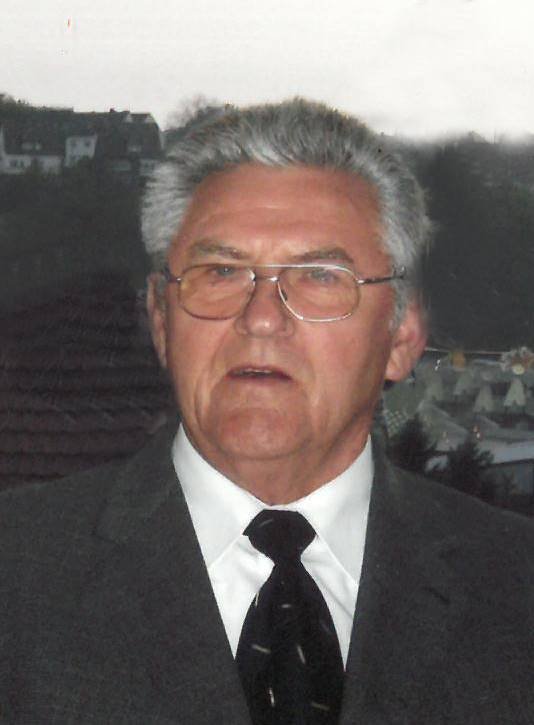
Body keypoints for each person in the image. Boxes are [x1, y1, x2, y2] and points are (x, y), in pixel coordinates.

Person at [1, 99, 533, 725]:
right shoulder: (18, 575)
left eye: (320, 276)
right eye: (221, 271)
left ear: (402, 335)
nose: (261, 319)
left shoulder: (516, 587)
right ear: (160, 321)